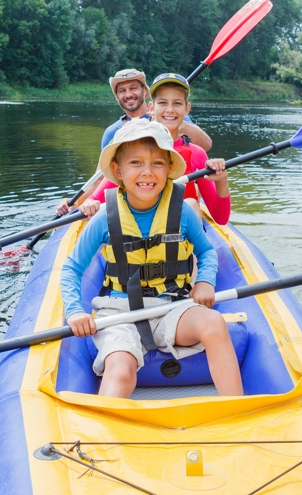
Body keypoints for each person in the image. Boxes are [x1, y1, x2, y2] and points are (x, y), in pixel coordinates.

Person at [60, 119, 243, 399]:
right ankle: (103, 437)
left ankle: (236, 413)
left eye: (157, 163)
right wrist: (74, 311)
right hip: (119, 313)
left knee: (214, 323)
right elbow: (72, 268)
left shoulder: (182, 211)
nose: (147, 172)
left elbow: (206, 251)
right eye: (136, 163)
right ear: (118, 171)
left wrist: (205, 282)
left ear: (169, 169)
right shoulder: (104, 218)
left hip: (172, 305)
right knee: (120, 369)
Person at [79, 73, 231, 225]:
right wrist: (89, 203)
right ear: (151, 107)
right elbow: (95, 197)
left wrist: (222, 180)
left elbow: (221, 218)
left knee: (191, 203)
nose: (170, 110)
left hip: (177, 239)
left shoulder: (197, 154)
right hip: (138, 234)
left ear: (187, 109)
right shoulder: (132, 148)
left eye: (177, 103)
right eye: (163, 103)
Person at [101, 69, 212, 151]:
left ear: (145, 91)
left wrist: (166, 121)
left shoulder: (172, 116)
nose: (128, 94)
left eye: (133, 88)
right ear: (116, 96)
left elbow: (206, 145)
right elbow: (101, 176)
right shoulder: (112, 132)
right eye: (122, 91)